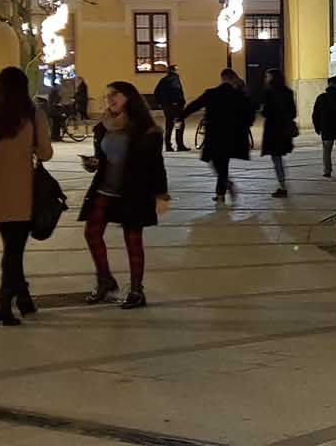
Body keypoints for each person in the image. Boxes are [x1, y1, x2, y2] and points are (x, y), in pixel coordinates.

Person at [0, 66, 53, 326]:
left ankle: (24, 298)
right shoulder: (32, 115)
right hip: (23, 189)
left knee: (12, 246)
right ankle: (3, 306)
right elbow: (46, 153)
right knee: (14, 250)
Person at [80, 81, 169, 309]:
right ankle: (105, 280)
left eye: (115, 94)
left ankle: (137, 290)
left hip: (133, 191)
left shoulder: (146, 130)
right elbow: (102, 158)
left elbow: (156, 165)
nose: (109, 99)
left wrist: (161, 195)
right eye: (107, 95)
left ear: (129, 97)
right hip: (105, 189)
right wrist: (94, 163)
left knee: (133, 239)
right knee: (92, 232)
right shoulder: (103, 126)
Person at [182, 68, 256, 202]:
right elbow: (250, 113)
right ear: (233, 79)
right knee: (223, 163)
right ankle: (220, 194)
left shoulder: (211, 93)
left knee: (216, 162)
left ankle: (225, 185)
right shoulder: (239, 96)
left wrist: (181, 116)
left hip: (214, 134)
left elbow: (195, 105)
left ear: (222, 78)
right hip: (232, 135)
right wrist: (245, 125)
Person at [260, 69, 298, 198]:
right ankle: (283, 183)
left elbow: (266, 112)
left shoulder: (269, 92)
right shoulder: (288, 92)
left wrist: (263, 110)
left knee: (276, 158)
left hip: (273, 130)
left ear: (272, 78)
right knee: (279, 157)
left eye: (267, 76)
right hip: (284, 129)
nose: (266, 79)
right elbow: (293, 112)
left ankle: (283, 186)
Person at [154, 66, 187, 152]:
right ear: (173, 70)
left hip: (166, 106)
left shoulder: (163, 80)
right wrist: (178, 101)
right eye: (177, 69)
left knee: (169, 125)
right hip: (175, 106)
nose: (178, 71)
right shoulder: (174, 79)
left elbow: (156, 92)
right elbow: (176, 90)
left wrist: (161, 103)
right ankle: (180, 145)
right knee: (179, 124)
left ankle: (168, 145)